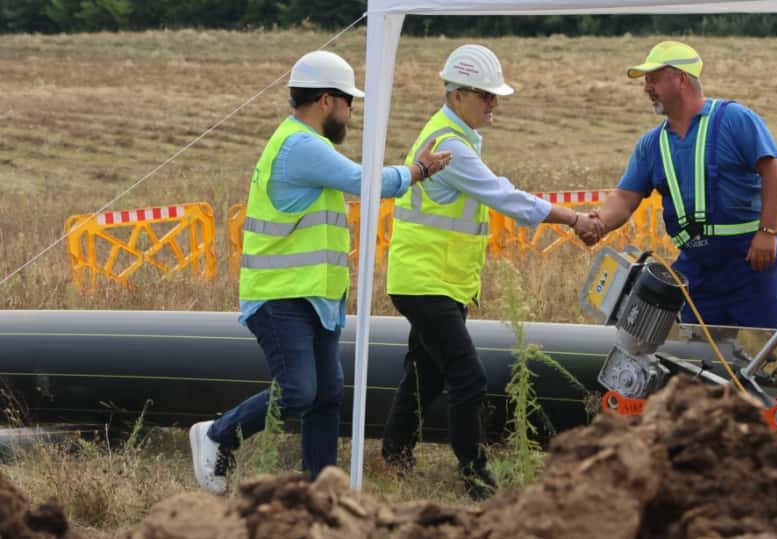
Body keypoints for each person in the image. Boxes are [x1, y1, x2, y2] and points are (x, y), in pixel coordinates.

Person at [188, 50, 452, 495]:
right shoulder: (300, 146)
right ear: (328, 100)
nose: (351, 114)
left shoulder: (309, 146)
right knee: (298, 391)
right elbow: (370, 184)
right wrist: (420, 170)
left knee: (326, 394)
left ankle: (322, 493)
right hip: (281, 296)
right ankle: (217, 434)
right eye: (350, 103)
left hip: (316, 297)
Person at [381, 44, 602, 500]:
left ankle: (394, 456)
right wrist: (574, 219)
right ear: (457, 95)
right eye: (486, 95)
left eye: (494, 95)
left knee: (426, 372)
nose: (493, 103)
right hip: (426, 281)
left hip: (437, 279)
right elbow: (507, 197)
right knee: (469, 376)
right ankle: (475, 477)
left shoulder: (454, 136)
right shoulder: (451, 147)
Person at [583, 40, 777, 329]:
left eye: (653, 79)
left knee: (769, 352)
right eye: (646, 81)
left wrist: (768, 232)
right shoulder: (651, 145)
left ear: (680, 78)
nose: (646, 88)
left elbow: (775, 171)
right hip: (696, 269)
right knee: (701, 356)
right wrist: (599, 223)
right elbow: (624, 196)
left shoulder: (734, 119)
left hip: (750, 261)